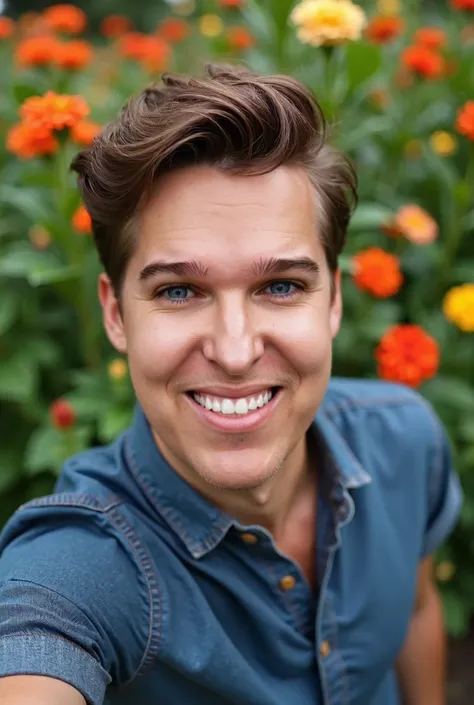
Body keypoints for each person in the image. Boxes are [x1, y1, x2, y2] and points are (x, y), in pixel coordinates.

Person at [0, 64, 462, 705]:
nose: (237, 351)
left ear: (333, 301)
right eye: (180, 291)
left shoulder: (405, 437)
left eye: (281, 286)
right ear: (115, 313)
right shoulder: (83, 568)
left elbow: (413, 610)